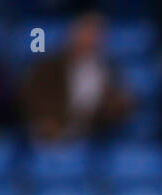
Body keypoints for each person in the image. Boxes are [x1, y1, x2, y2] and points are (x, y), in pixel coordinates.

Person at [20, 11, 133, 142]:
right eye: (85, 32)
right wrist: (46, 119)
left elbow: (120, 103)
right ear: (73, 34)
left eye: (95, 34)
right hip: (53, 131)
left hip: (96, 134)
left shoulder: (109, 69)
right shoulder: (48, 66)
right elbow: (32, 96)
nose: (90, 38)